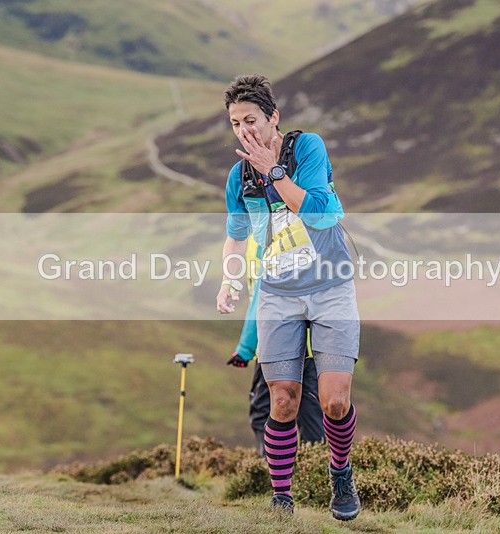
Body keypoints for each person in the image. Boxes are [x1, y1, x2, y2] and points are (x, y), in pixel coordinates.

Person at [216, 74, 361, 520]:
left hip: (331, 288)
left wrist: (274, 172)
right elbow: (236, 237)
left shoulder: (308, 149)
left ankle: (341, 475)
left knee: (335, 399)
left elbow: (319, 213)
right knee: (282, 400)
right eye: (236, 123)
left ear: (273, 118)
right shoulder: (237, 178)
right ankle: (282, 498)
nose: (245, 131)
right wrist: (231, 280)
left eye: (252, 120)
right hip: (277, 295)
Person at [226, 235, 325, 455]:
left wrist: (245, 348)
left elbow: (263, 293)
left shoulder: (267, 232)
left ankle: (271, 474)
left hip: (276, 341)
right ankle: (315, 474)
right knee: (310, 414)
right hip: (311, 344)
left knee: (264, 412)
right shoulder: (300, 226)